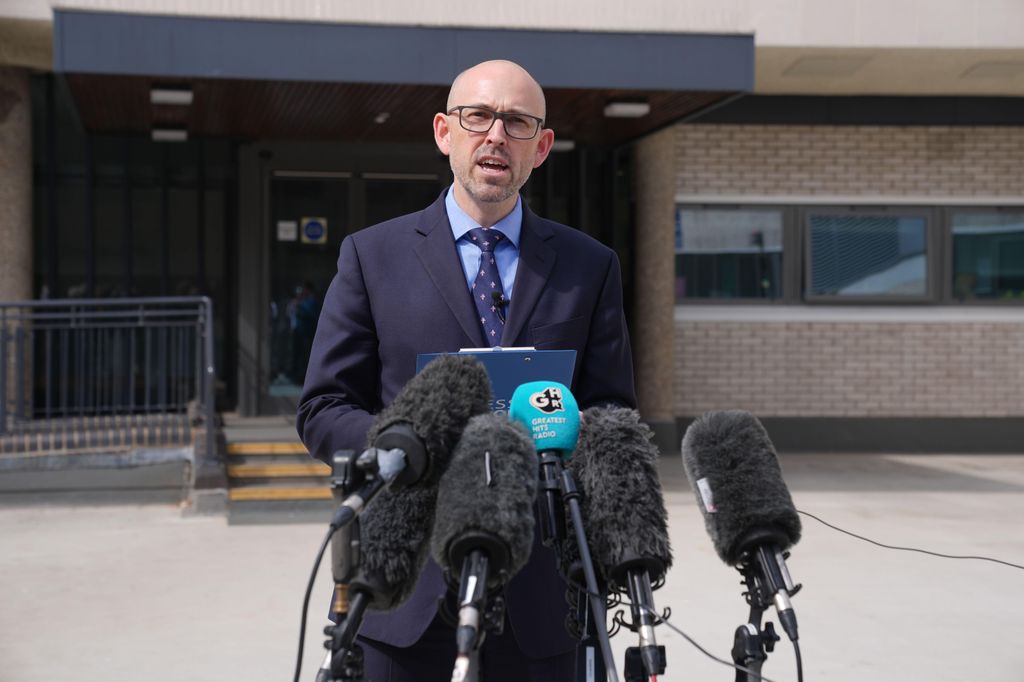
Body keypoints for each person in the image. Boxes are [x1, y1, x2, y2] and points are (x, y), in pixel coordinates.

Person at [297, 59, 636, 682]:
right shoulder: (372, 256)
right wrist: (411, 448)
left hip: (544, 596)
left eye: (517, 122)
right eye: (478, 116)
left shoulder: (590, 267)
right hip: (403, 592)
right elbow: (323, 409)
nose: (496, 135)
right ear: (443, 132)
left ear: (542, 146)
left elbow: (612, 415)